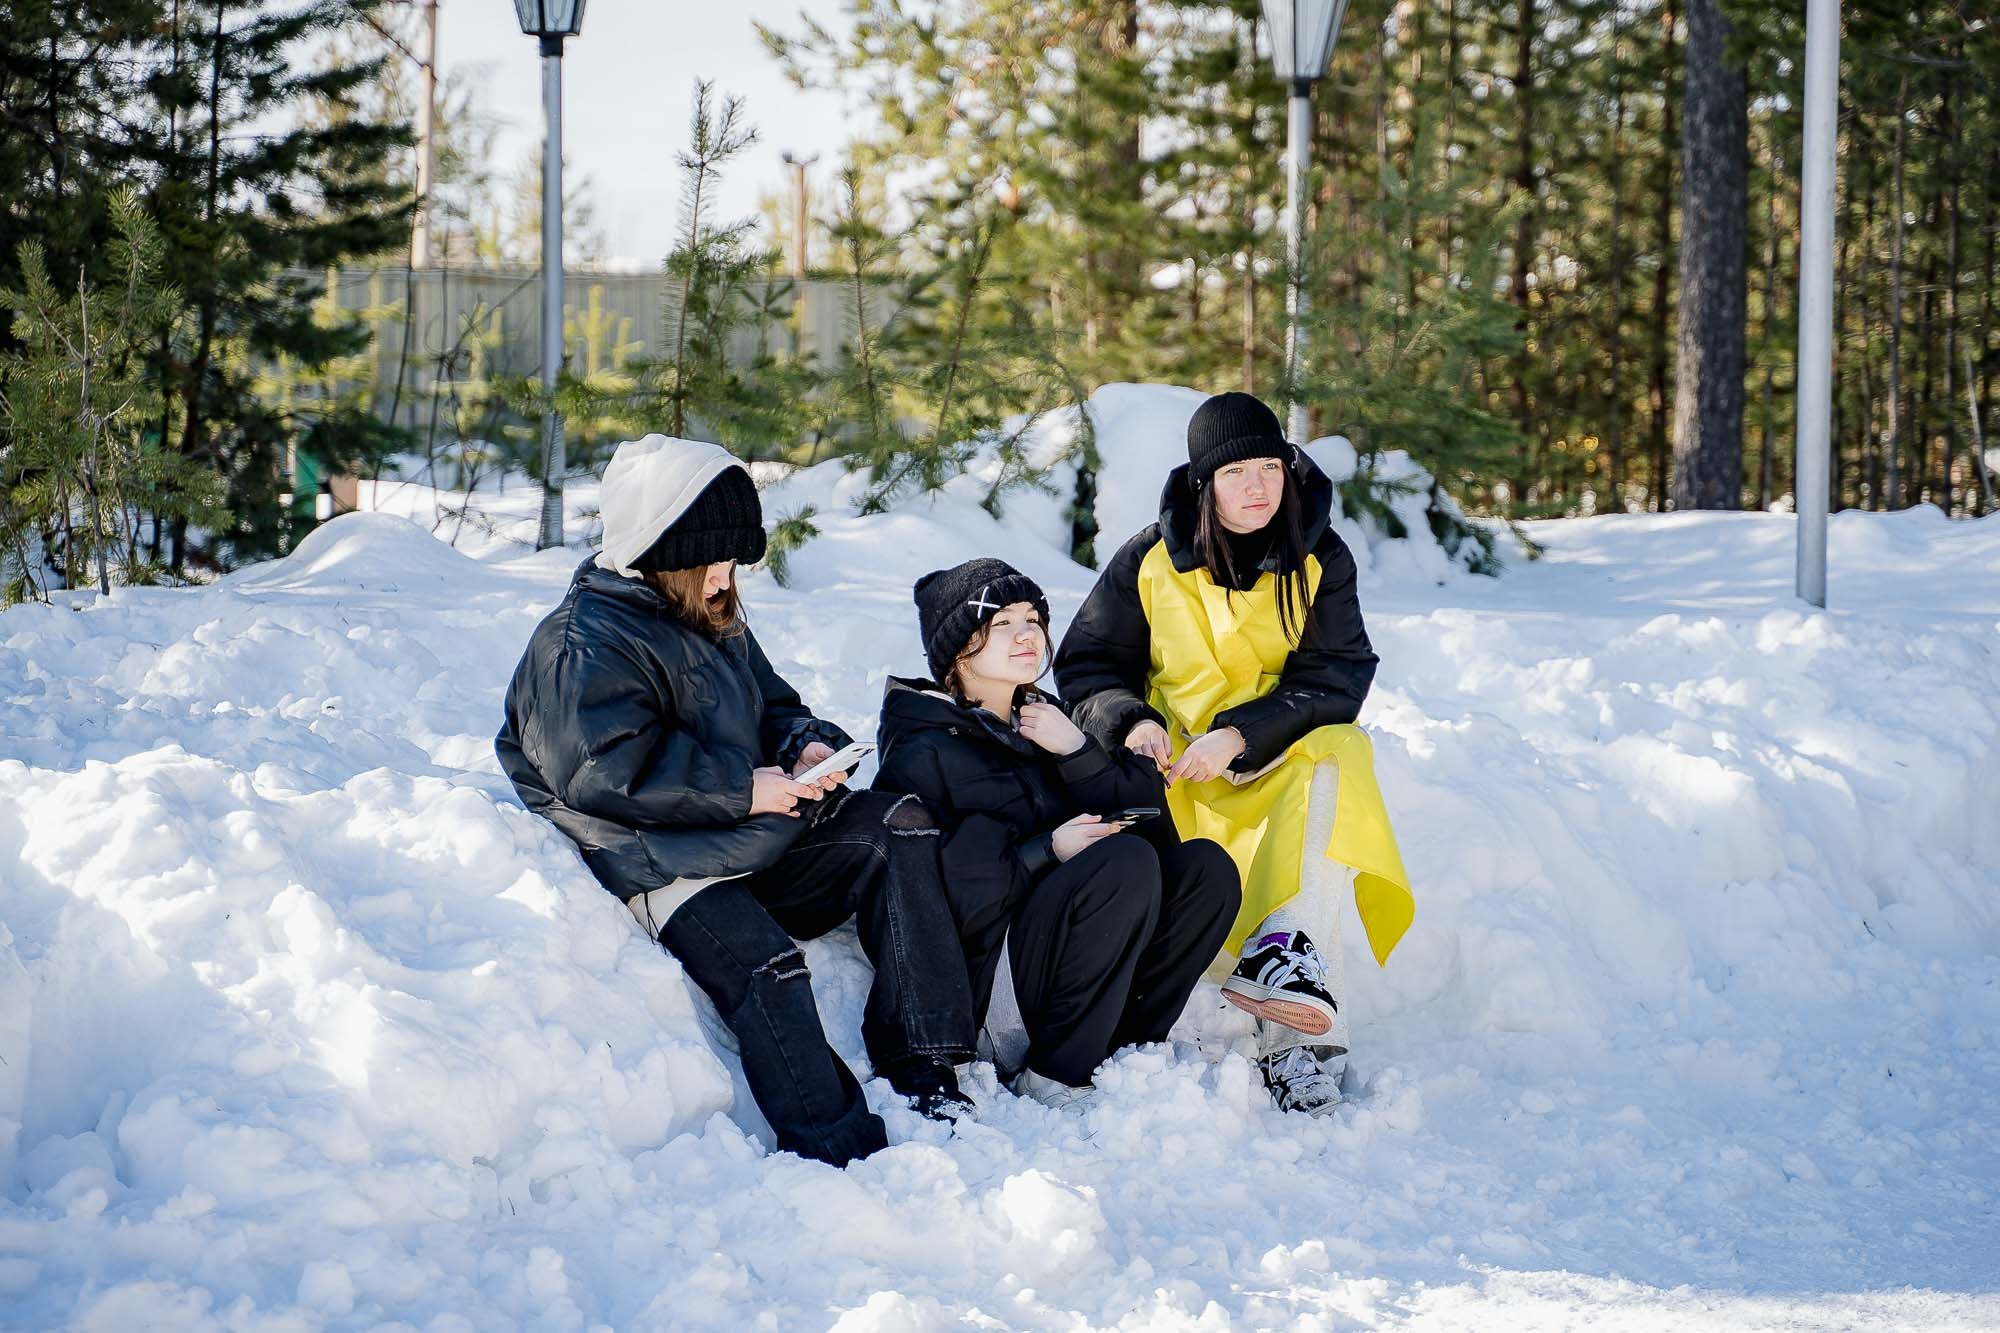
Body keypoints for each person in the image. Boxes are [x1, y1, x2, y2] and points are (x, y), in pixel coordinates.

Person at [496, 435, 978, 1167]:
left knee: (898, 826)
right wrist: (741, 786)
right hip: (662, 855)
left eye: (731, 559)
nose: (725, 576)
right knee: (770, 970)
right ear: (660, 550)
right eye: (711, 560)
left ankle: (924, 1065)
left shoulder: (708, 609)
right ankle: (839, 1150)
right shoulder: (581, 643)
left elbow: (775, 706)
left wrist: (806, 747)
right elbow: (600, 770)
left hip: (749, 827)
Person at [1054, 392, 1416, 1116]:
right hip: (1173, 773)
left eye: (1269, 468)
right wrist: (1131, 721)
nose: (1257, 487)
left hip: (1266, 760)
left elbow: (1338, 676)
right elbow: (1087, 664)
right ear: (1204, 485)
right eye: (1236, 473)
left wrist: (1242, 734)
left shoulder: (1321, 556)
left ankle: (1297, 1038)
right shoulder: (1149, 559)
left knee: (1340, 758)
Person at [871, 558, 1241, 1110]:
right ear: (957, 648)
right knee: (1123, 865)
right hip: (995, 981)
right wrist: (1046, 850)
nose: (1028, 635)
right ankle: (1054, 1072)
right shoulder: (923, 747)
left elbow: (1154, 839)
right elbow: (922, 895)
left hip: (1071, 959)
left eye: (1034, 619)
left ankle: (1125, 1053)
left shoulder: (1050, 723)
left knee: (1205, 868)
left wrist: (1077, 751)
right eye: (1002, 625)